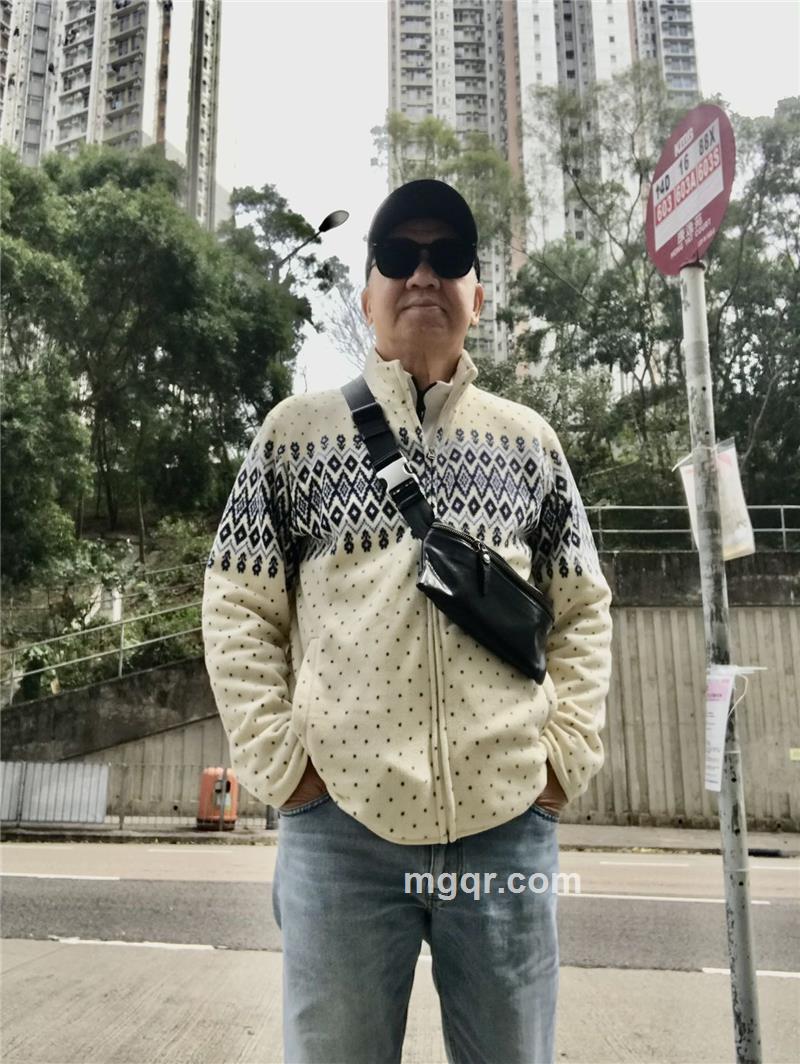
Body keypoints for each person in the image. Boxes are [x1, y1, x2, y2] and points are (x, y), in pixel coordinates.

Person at [202, 178, 613, 1064]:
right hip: (340, 827)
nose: (422, 274)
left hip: (505, 821)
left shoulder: (531, 443)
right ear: (368, 295)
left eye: (447, 257)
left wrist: (560, 760)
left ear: (477, 295)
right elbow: (236, 604)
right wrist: (287, 767)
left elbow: (583, 609)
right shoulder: (294, 435)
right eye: (397, 256)